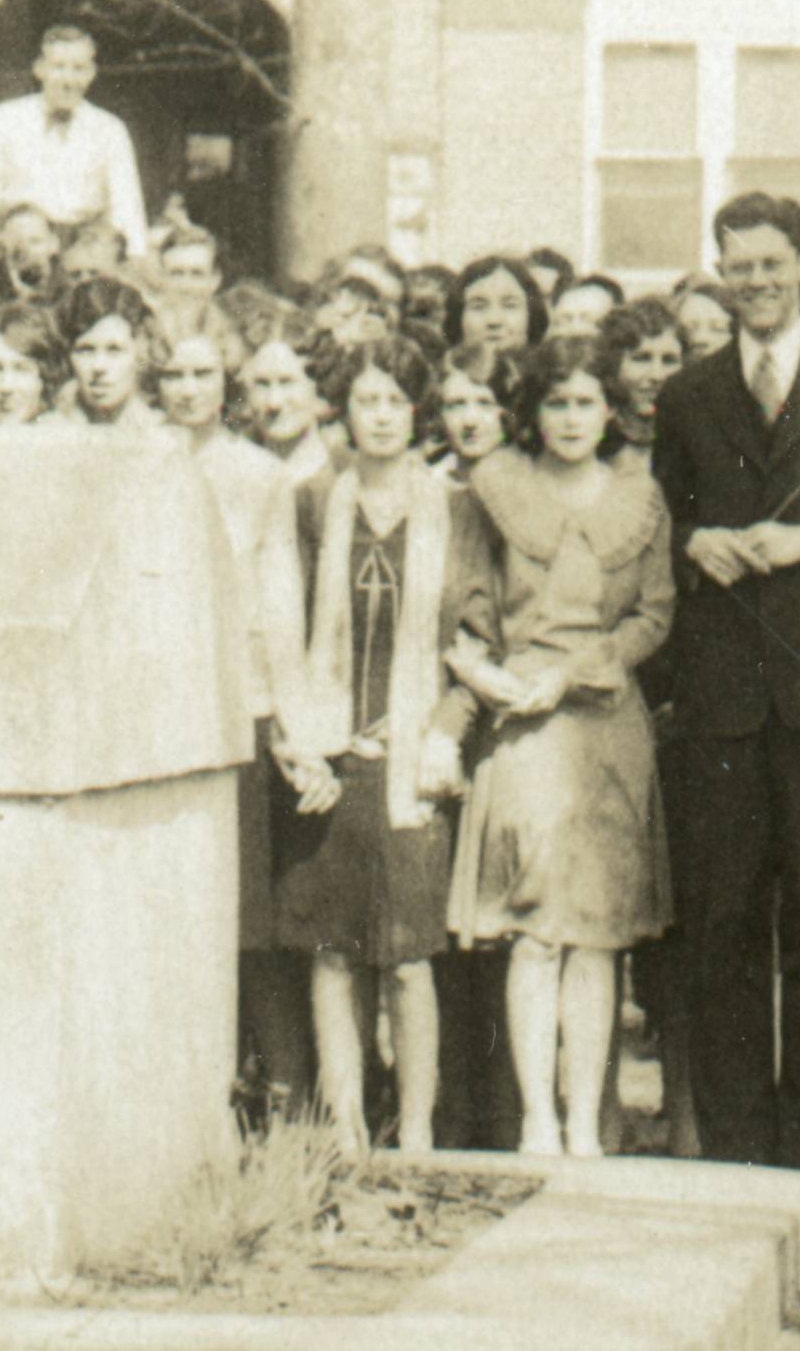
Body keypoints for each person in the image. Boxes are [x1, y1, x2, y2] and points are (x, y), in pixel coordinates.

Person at [644, 191, 800, 1189]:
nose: (755, 281)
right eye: (737, 265)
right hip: (718, 699)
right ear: (718, 269)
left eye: (771, 263)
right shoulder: (688, 393)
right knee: (722, 932)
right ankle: (743, 1158)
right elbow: (657, 526)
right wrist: (692, 543)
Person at [447, 350, 672, 1157]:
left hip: (607, 724)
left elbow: (652, 616)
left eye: (587, 402)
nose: (572, 418)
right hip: (525, 732)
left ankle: (585, 1123)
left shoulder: (642, 499)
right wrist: (500, 679)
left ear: (610, 412)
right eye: (555, 403)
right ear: (531, 413)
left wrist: (576, 673)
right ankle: (537, 1119)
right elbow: (469, 614)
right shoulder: (494, 489)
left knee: (597, 931)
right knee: (537, 928)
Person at [275, 343, 465, 1151]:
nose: (380, 415)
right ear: (341, 411)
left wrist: (442, 735)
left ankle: (415, 1131)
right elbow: (285, 634)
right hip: (331, 758)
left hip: (414, 759)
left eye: (395, 400)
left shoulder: (459, 508)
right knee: (333, 954)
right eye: (365, 400)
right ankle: (347, 1129)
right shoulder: (315, 502)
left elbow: (477, 641)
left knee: (410, 960)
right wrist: (303, 740)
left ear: (418, 412)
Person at [0, 21, 149, 247]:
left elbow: (127, 210)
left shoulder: (110, 130)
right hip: (18, 244)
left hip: (81, 249)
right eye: (59, 67)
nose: (68, 80)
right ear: (40, 69)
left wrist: (133, 253)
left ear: (91, 74)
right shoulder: (4, 119)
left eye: (78, 69)